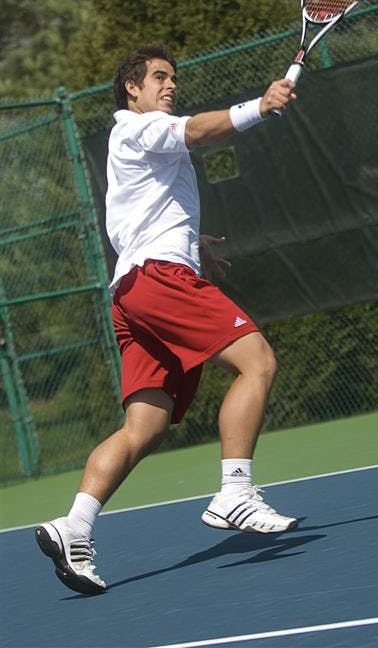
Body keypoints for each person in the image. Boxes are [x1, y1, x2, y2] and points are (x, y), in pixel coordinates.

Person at [35, 43, 298, 595]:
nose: (170, 84)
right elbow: (201, 132)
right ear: (131, 88)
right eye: (159, 77)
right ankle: (234, 491)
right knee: (258, 361)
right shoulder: (136, 128)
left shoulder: (137, 144)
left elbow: (145, 214)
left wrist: (192, 247)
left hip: (133, 289)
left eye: (173, 77)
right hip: (158, 282)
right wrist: (261, 107)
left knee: (145, 427)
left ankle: (73, 527)